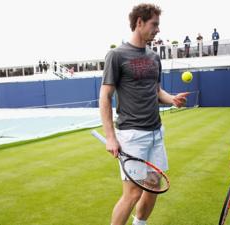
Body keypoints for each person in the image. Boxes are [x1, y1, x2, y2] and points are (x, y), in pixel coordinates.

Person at [100, 4, 189, 225]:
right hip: (132, 136)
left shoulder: (153, 57)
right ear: (139, 22)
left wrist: (172, 99)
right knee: (132, 194)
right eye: (154, 24)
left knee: (152, 186)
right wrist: (110, 137)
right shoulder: (116, 55)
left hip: (155, 134)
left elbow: (157, 91)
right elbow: (105, 96)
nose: (158, 29)